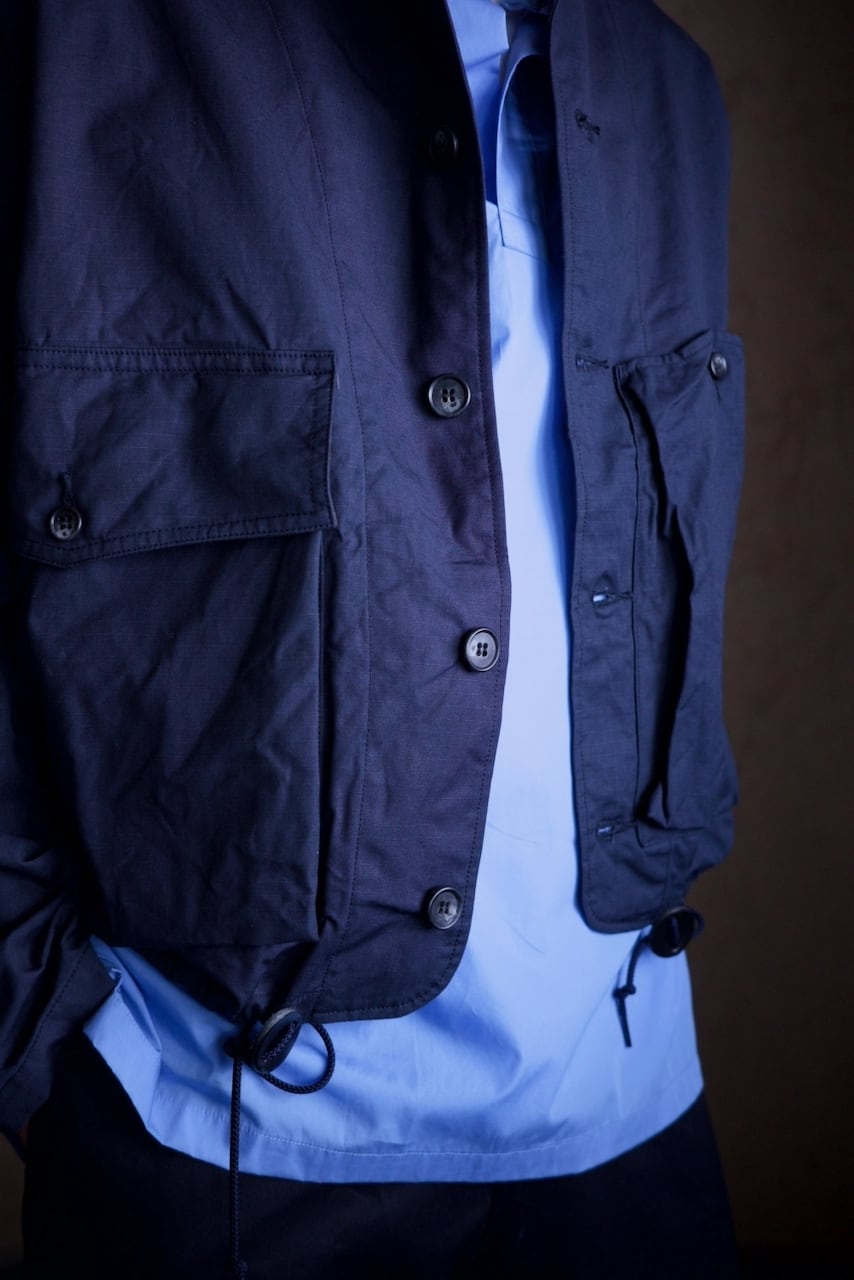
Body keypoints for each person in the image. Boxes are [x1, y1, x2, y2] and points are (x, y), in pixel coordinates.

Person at [0, 1, 745, 1276]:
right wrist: (43, 1036)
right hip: (215, 1132)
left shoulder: (666, 81)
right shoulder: (77, 44)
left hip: (629, 1119)